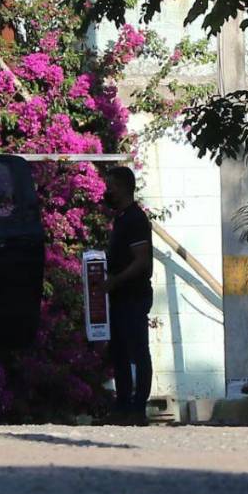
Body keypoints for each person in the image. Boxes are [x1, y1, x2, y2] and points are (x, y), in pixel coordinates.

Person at [97, 167, 153, 426]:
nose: (108, 191)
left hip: (134, 296)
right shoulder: (121, 219)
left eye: (111, 186)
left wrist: (114, 281)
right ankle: (122, 407)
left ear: (123, 187)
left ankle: (138, 408)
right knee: (118, 352)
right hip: (119, 297)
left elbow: (141, 261)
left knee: (138, 351)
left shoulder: (135, 220)